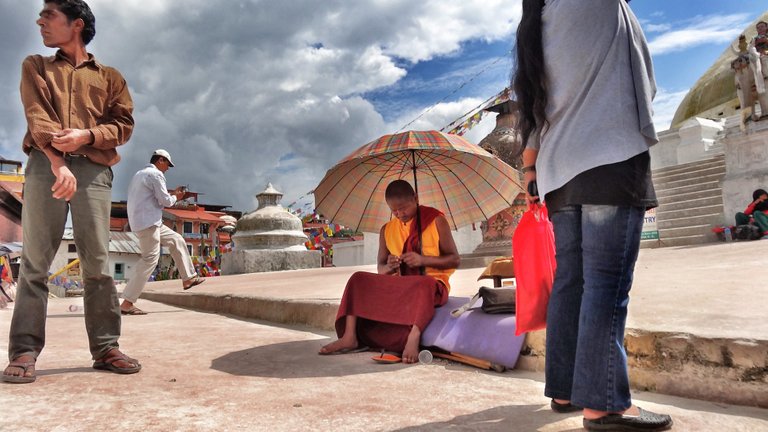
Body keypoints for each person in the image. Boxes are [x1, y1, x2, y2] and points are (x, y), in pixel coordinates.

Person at [513, 0, 673, 430]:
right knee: (605, 284)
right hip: (610, 157)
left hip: (557, 173)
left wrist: (530, 171)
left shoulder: (536, 24)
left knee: (573, 282)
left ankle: (566, 389)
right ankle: (604, 403)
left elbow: (532, 112)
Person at [3, 0, 140, 384]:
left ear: (76, 24)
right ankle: (25, 350)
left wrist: (88, 135)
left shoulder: (110, 77)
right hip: (46, 167)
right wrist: (57, 162)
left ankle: (106, 346)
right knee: (34, 264)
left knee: (97, 262)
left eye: (49, 15)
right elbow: (38, 116)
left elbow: (124, 125)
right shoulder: (36, 66)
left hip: (94, 172)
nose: (40, 21)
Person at [318, 180, 460, 363]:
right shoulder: (387, 230)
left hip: (431, 285)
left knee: (423, 283)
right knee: (358, 279)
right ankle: (349, 336)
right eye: (395, 211)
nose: (400, 214)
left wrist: (423, 260)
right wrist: (391, 266)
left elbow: (454, 259)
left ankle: (414, 335)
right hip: (401, 286)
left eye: (404, 208)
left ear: (415, 198)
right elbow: (381, 269)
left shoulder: (436, 220)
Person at [120, 149, 205, 315]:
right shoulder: (156, 175)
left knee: (177, 240)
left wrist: (172, 194)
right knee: (149, 259)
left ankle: (188, 278)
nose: (168, 168)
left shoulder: (139, 174)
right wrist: (177, 197)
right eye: (167, 164)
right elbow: (166, 201)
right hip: (148, 222)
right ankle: (127, 302)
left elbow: (155, 198)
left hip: (147, 221)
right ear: (160, 160)